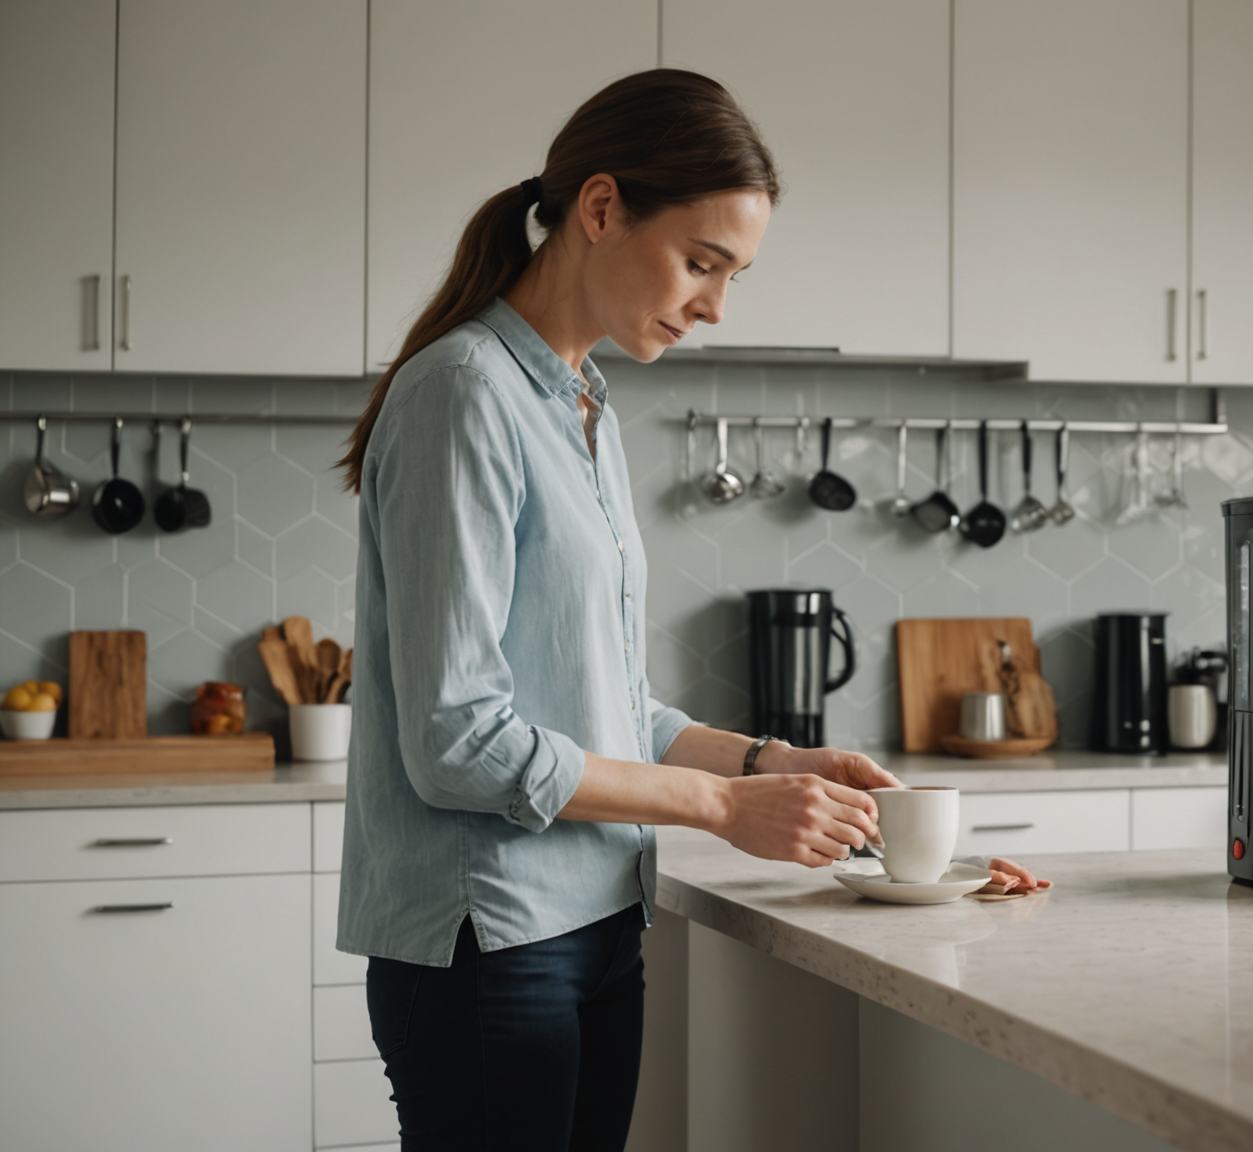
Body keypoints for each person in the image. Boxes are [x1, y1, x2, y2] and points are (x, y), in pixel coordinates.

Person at [332, 70, 1044, 1152]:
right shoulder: (463, 392)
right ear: (602, 208)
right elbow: (454, 743)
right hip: (492, 942)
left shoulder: (583, 408)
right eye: (702, 262)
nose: (715, 305)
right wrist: (717, 811)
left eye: (733, 273)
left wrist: (769, 765)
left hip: (598, 923)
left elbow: (608, 707)